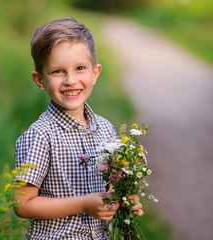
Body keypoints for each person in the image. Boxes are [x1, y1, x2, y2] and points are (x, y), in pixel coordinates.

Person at [13, 18, 144, 239]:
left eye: (80, 68)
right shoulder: (40, 135)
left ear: (95, 72)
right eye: (57, 71)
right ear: (40, 79)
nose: (70, 80)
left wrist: (122, 200)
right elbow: (22, 204)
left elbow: (110, 188)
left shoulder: (105, 129)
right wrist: (84, 204)